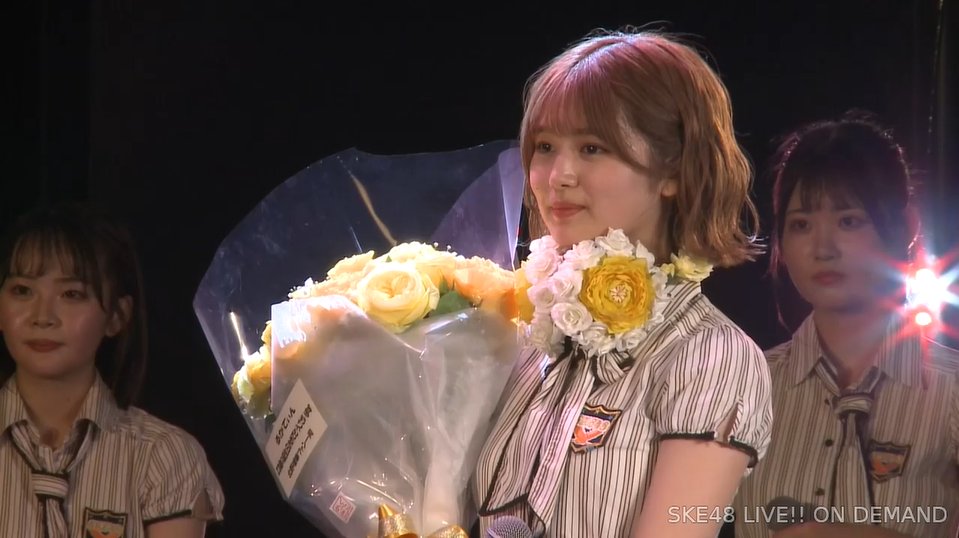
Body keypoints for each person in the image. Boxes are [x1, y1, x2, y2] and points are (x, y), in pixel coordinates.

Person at [472, 29, 773, 538]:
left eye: (592, 147)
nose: (558, 175)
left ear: (673, 170)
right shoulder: (522, 335)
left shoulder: (711, 356)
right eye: (545, 147)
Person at [733, 113, 959, 538]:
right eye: (801, 225)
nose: (822, 249)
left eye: (848, 220)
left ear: (906, 228)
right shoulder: (744, 385)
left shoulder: (950, 390)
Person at [0, 202, 224, 537]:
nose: (42, 316)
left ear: (117, 316)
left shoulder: (163, 454)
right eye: (22, 291)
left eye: (71, 294)